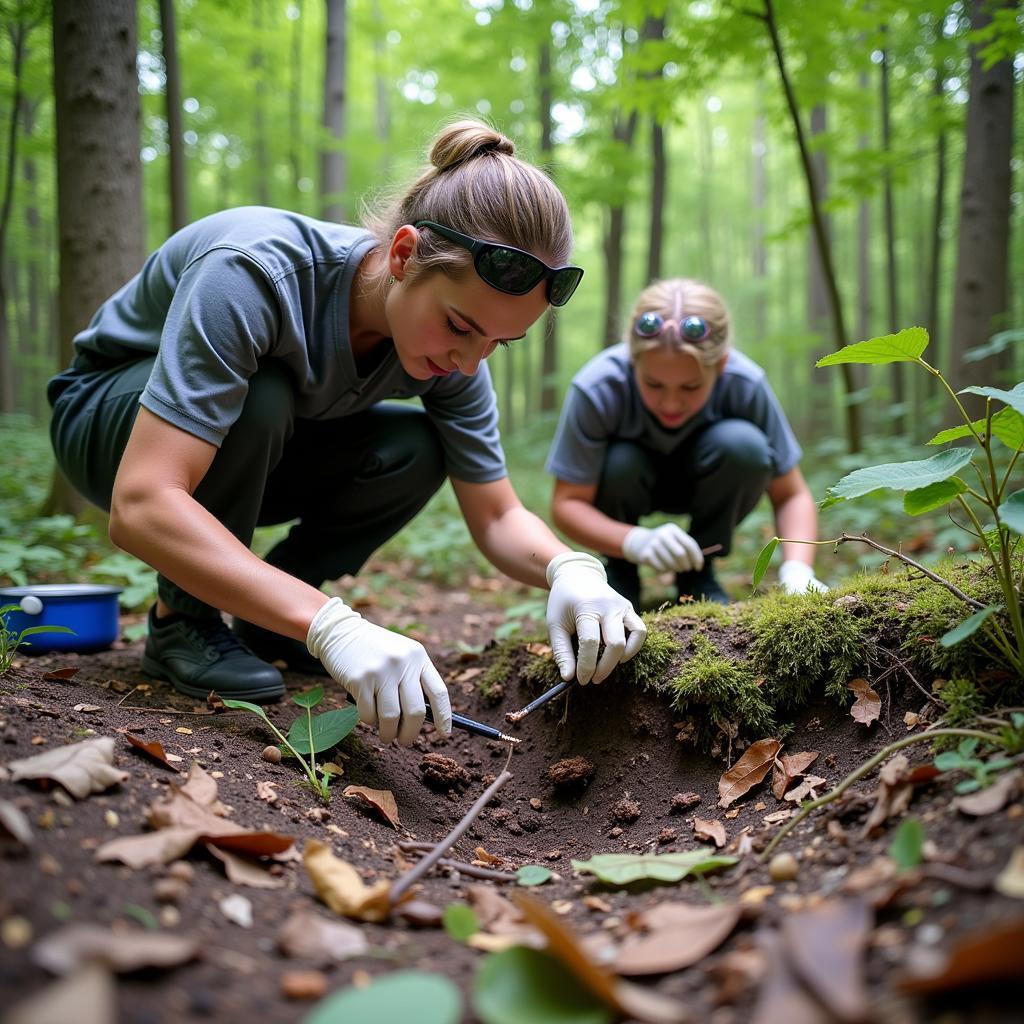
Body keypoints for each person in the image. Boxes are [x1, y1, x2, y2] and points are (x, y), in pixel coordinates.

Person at [47, 118, 647, 746]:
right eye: (462, 326)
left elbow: (496, 515)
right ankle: (183, 622)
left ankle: (272, 620)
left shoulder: (452, 353)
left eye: (501, 342)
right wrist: (332, 624)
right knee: (263, 395)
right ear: (403, 255)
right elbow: (142, 503)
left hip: (258, 449)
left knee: (415, 447)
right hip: (111, 425)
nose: (472, 362)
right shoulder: (253, 274)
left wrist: (572, 568)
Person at [546, 277, 826, 608]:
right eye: (653, 384)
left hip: (709, 477)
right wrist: (632, 541)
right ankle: (620, 572)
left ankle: (698, 570)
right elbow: (567, 504)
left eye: (690, 387)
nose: (670, 404)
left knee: (743, 446)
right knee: (621, 460)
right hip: (627, 487)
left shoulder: (745, 384)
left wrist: (797, 570)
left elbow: (791, 494)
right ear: (633, 361)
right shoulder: (598, 388)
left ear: (720, 365)